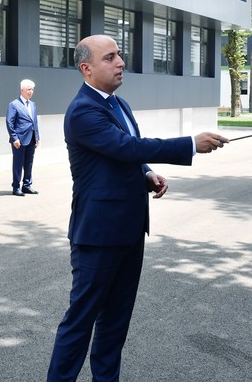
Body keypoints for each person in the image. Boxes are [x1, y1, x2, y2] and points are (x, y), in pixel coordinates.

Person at [46, 34, 229, 381]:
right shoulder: (83, 110)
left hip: (130, 231)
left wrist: (146, 173)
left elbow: (127, 155)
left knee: (115, 323)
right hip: (98, 235)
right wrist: (190, 144)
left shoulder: (120, 104)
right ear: (86, 69)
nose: (120, 63)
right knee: (80, 322)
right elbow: (127, 147)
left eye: (119, 55)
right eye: (109, 58)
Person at [6, 79, 40, 196]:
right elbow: (9, 122)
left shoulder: (33, 105)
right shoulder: (14, 105)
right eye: (28, 89)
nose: (31, 92)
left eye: (32, 89)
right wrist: (14, 138)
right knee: (18, 164)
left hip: (31, 138)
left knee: (29, 163)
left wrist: (37, 137)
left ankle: (27, 185)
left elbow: (34, 122)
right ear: (22, 90)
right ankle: (16, 187)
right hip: (19, 140)